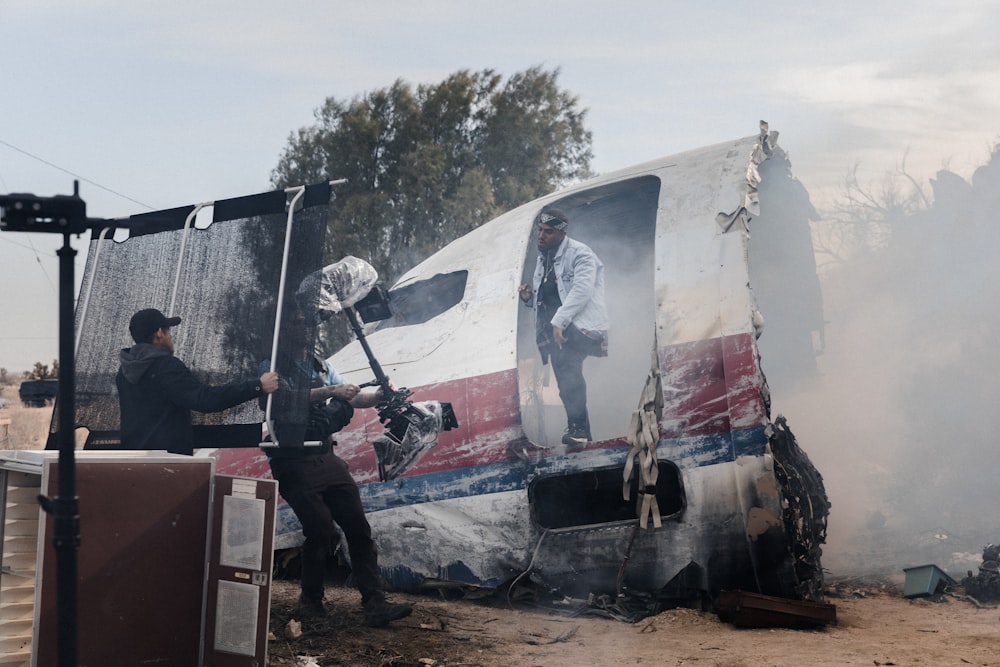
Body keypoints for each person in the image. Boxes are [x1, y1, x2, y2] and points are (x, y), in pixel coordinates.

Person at [261, 315, 413, 628]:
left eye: (306, 323)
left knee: (358, 527)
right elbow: (286, 400)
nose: (303, 329)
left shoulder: (320, 363)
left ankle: (374, 602)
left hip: (324, 456)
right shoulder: (271, 366)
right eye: (295, 323)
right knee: (320, 530)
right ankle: (310, 601)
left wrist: (378, 396)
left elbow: (353, 396)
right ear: (282, 330)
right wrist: (332, 390)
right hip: (291, 460)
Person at [116, 308, 279, 455]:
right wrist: (258, 386)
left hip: (133, 462)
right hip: (166, 465)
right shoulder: (165, 367)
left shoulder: (124, 372)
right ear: (159, 333)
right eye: (168, 330)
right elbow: (206, 399)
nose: (171, 336)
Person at [517, 207, 608, 447]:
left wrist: (559, 320)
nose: (541, 236)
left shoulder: (581, 254)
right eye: (540, 230)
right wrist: (529, 299)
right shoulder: (542, 260)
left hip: (579, 326)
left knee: (568, 371)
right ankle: (581, 433)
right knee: (565, 381)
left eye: (548, 231)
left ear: (562, 233)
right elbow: (547, 297)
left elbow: (582, 290)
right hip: (556, 330)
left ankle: (578, 428)